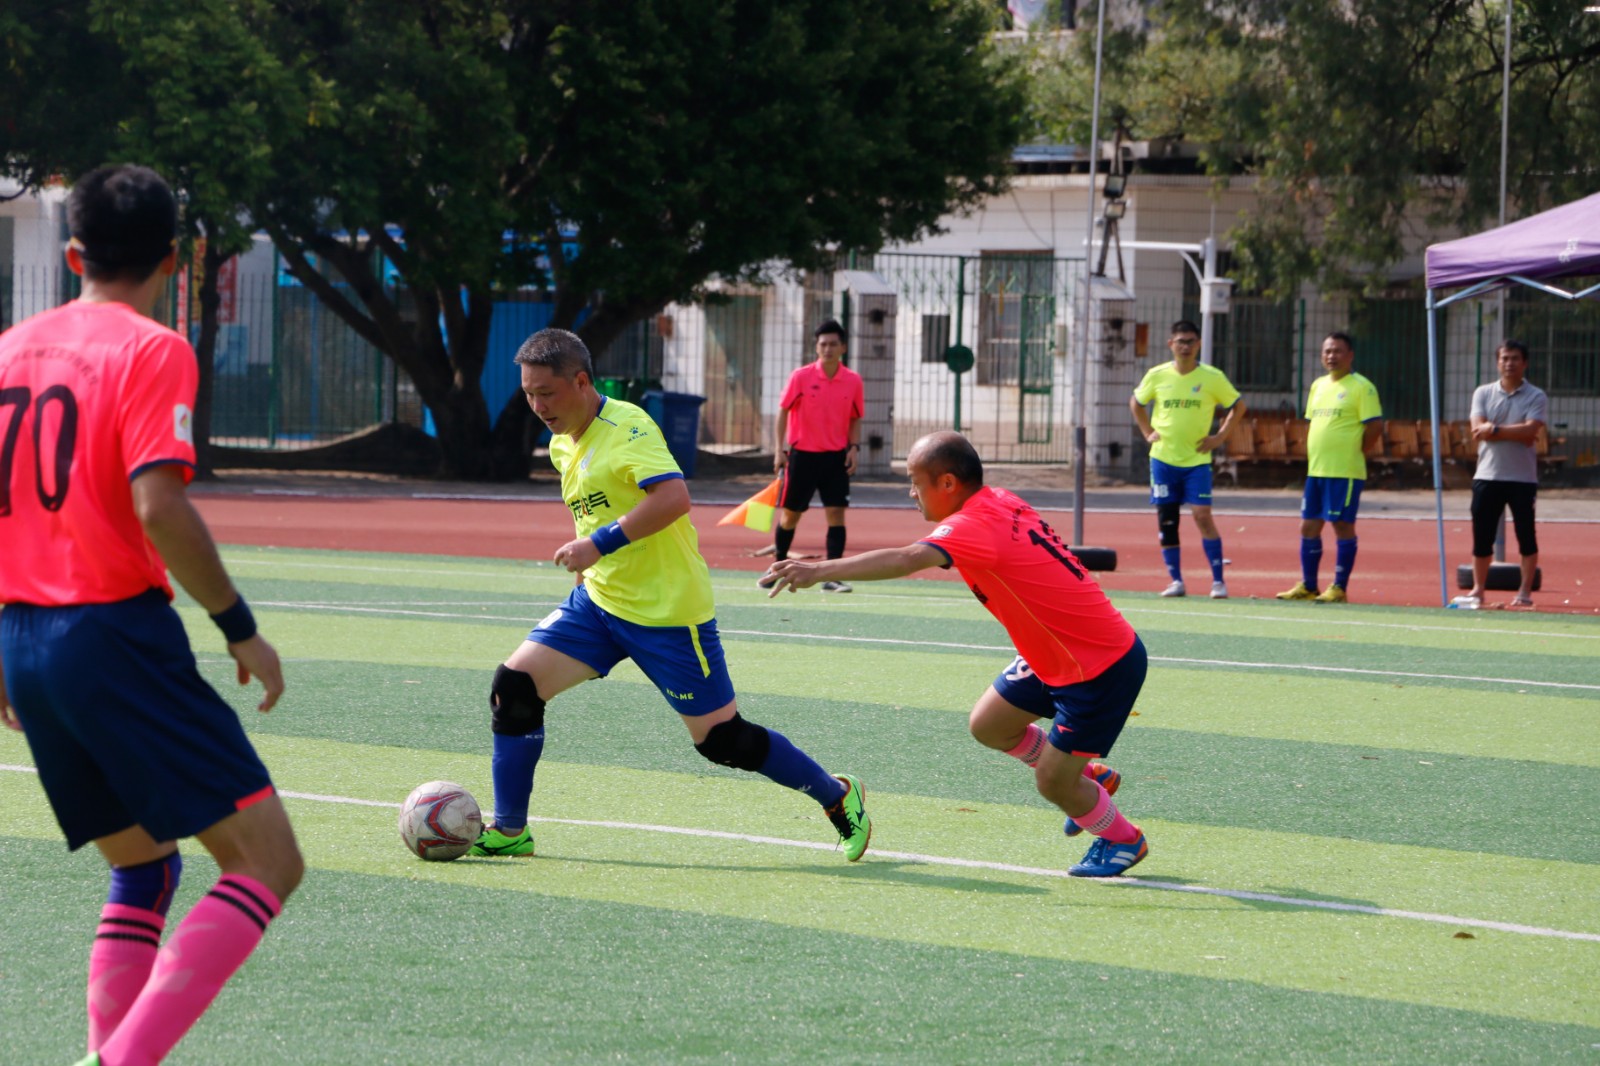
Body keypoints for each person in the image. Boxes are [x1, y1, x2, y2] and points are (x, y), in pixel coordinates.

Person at [0, 165, 303, 1066]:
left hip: (24, 638)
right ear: (172, 259)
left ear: (73, 252)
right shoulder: (152, 347)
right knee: (266, 863)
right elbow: (159, 506)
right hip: (112, 637)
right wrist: (238, 625)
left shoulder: (10, 348)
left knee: (143, 862)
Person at [472, 328, 870, 862]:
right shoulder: (561, 442)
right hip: (598, 605)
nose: (537, 405)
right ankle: (511, 829)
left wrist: (599, 543)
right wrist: (585, 572)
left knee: (722, 741)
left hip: (668, 614)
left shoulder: (628, 424)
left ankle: (837, 796)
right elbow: (591, 508)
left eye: (546, 392)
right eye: (528, 394)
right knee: (514, 688)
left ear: (582, 381)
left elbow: (675, 498)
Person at [764, 431, 1149, 878]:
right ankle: (1090, 778)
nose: (912, 493)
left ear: (947, 484)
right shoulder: (997, 499)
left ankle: (1122, 838)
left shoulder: (972, 525)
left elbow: (908, 559)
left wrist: (817, 570)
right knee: (989, 724)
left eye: (915, 482)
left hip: (1097, 667)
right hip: (1056, 656)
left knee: (1051, 781)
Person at [1129, 319, 1246, 598]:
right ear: (1171, 344)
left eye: (1190, 341)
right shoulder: (1157, 375)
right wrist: (1147, 431)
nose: (1185, 346)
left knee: (1202, 515)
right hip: (1163, 459)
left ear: (1199, 345)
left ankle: (1218, 581)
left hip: (1196, 461)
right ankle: (1176, 581)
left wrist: (1219, 437)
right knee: (1167, 520)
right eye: (1180, 341)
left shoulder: (1212, 377)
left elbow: (1238, 406)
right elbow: (1136, 402)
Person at [1276, 331, 1383, 603]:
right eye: (1327, 351)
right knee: (1308, 527)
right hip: (1317, 471)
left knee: (1341, 525)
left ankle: (1338, 587)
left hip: (1344, 471)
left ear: (1350, 355)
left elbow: (1374, 426)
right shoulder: (1318, 385)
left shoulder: (1362, 387)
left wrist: (1356, 450)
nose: (1331, 356)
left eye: (1337, 351)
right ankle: (1309, 585)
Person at [760, 319, 864, 593]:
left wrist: (854, 447)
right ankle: (778, 567)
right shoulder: (801, 377)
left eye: (833, 344)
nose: (827, 349)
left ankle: (832, 575)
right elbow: (782, 411)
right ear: (816, 347)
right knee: (790, 516)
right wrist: (779, 451)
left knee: (836, 514)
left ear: (843, 347)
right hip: (802, 457)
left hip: (835, 459)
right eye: (822, 344)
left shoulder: (853, 381)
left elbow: (855, 418)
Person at [1459, 340, 1547, 608]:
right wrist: (1513, 431)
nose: (1510, 363)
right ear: (1498, 362)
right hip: (1487, 476)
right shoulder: (1483, 393)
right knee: (1481, 535)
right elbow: (1477, 430)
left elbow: (1531, 432)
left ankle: (1524, 591)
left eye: (1515, 358)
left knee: (1526, 535)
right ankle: (1478, 588)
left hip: (1522, 479)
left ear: (1525, 363)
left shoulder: (1536, 396)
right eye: (1505, 358)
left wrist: (1494, 430)